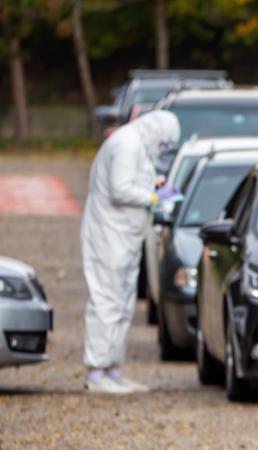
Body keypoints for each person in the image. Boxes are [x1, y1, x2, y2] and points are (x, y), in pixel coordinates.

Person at [80, 110, 180, 394]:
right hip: (109, 233)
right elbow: (119, 189)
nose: (162, 150)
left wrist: (155, 185)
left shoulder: (139, 145)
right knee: (106, 300)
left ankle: (113, 368)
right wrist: (152, 197)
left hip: (126, 235)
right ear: (156, 132)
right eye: (163, 145)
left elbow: (133, 181)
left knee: (123, 301)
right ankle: (97, 372)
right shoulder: (126, 144)